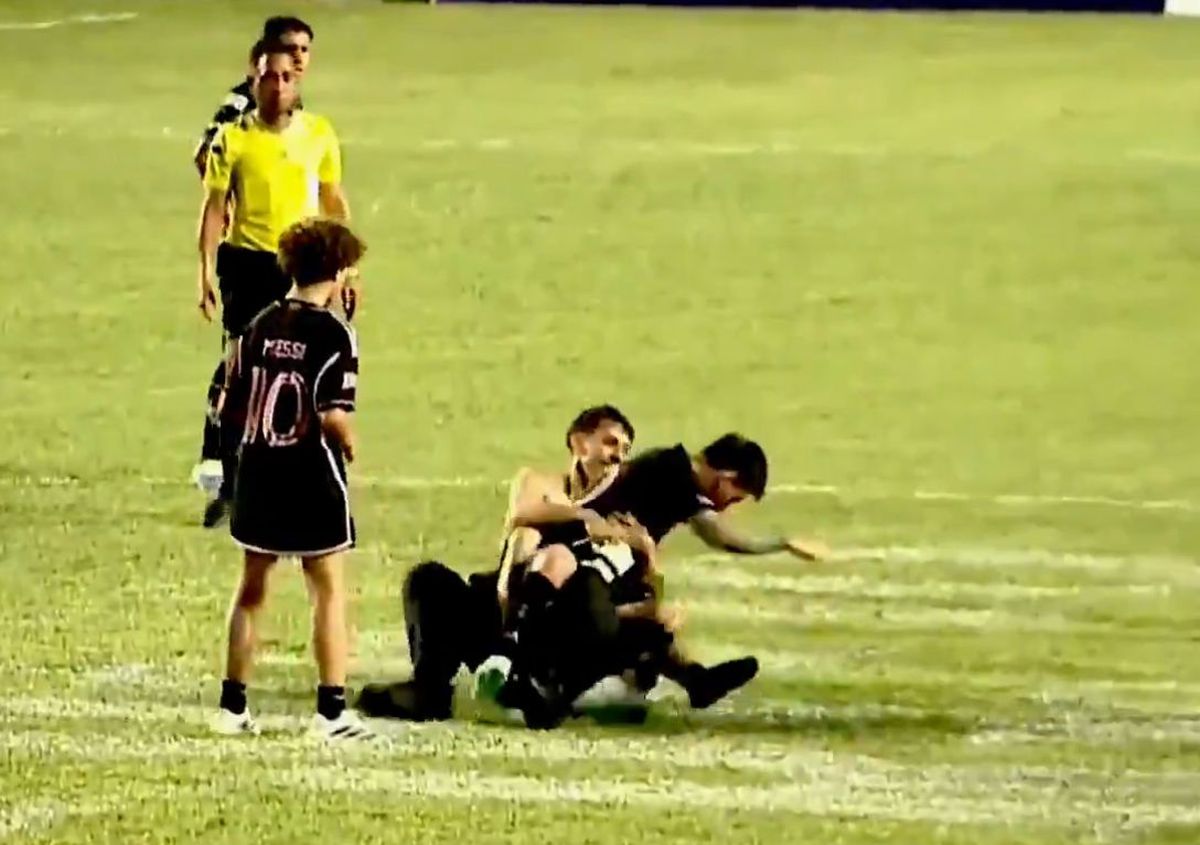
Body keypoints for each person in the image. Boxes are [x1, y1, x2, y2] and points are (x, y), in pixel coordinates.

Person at [500, 433, 827, 728]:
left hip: (602, 567)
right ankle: (547, 691)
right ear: (725, 478)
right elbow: (720, 537)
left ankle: (694, 681)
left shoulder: (673, 471)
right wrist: (781, 544)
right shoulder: (674, 476)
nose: (728, 507)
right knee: (634, 627)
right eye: (735, 498)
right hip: (582, 569)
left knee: (650, 623)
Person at [355, 405, 638, 722]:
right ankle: (430, 690)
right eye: (610, 443)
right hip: (502, 608)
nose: (618, 456)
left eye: (625, 450)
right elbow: (521, 515)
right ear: (579, 442)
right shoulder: (540, 483)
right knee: (428, 579)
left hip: (558, 630)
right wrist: (584, 517)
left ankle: (539, 688)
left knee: (586, 594)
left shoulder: (623, 513)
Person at [213, 217, 372, 741]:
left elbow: (228, 402)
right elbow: (332, 415)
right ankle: (331, 712)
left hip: (258, 471)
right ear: (339, 271)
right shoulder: (335, 334)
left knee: (251, 589)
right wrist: (351, 446)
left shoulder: (261, 323)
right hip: (309, 476)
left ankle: (232, 706)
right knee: (327, 592)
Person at [196, 42, 351, 529]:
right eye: (269, 77)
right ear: (254, 79)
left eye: (286, 77)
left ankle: (311, 476)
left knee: (311, 367)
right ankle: (230, 481)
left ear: (297, 82)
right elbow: (215, 208)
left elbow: (333, 202)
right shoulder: (232, 140)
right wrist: (204, 271)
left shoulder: (319, 134)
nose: (278, 86)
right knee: (239, 370)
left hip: (304, 265)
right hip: (248, 264)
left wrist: (347, 269)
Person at [192, 16, 315, 177]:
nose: (299, 58)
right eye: (290, 49)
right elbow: (203, 154)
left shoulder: (290, 98)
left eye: (304, 49)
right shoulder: (245, 100)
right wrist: (228, 190)